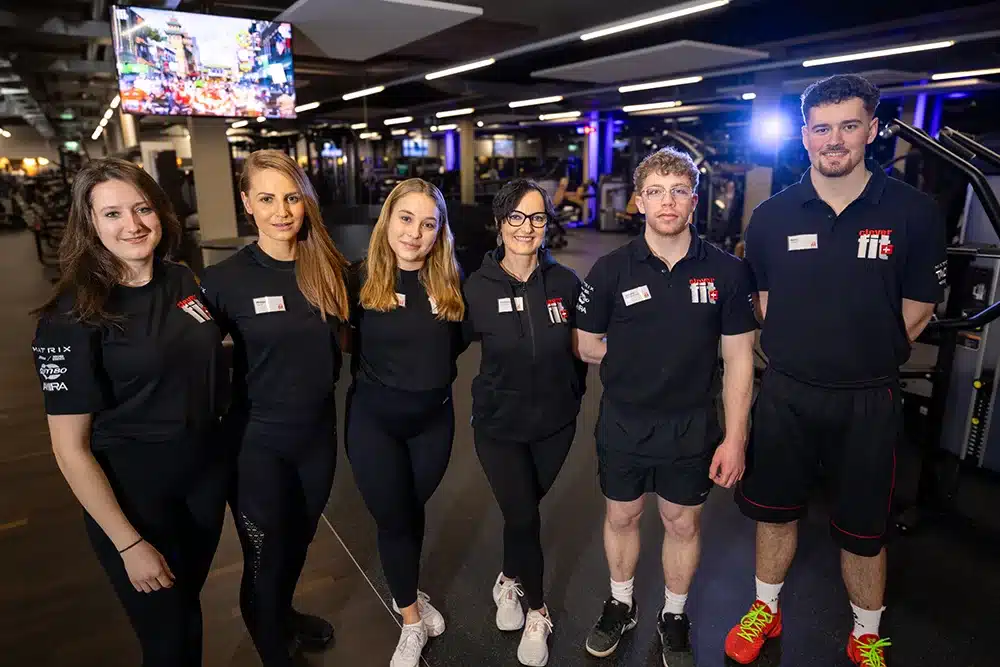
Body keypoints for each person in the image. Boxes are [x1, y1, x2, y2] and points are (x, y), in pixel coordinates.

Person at [724, 74, 947, 667]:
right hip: (788, 394)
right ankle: (765, 610)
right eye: (822, 128)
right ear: (804, 136)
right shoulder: (771, 216)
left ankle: (866, 631)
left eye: (849, 125)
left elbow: (919, 305)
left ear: (871, 130)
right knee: (774, 514)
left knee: (863, 528)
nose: (834, 139)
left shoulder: (913, 213)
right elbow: (764, 300)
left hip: (867, 398)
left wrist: (864, 347)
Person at [31, 158, 228, 666]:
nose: (133, 224)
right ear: (90, 224)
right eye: (113, 213)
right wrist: (128, 543)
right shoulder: (71, 316)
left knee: (186, 613)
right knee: (166, 639)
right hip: (136, 497)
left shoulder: (181, 277)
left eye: (142, 209)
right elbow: (68, 448)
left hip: (202, 481)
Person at [573, 147, 758, 665]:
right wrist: (638, 356)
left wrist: (735, 437)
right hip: (625, 422)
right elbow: (587, 345)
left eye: (678, 191)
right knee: (623, 515)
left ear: (694, 201)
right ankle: (621, 603)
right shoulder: (610, 270)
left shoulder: (726, 271)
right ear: (638, 202)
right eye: (655, 191)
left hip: (692, 425)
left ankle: (674, 613)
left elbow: (740, 359)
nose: (667, 201)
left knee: (682, 523)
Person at [200, 150, 350, 666]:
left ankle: (282, 615)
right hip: (256, 444)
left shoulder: (328, 268)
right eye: (266, 198)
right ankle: (271, 648)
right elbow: (185, 361)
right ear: (247, 203)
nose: (281, 210)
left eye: (291, 197)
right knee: (265, 554)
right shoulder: (223, 281)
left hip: (317, 436)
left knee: (299, 541)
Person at [462, 179, 588, 666]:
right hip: (499, 425)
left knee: (524, 511)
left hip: (556, 423)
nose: (526, 227)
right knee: (525, 516)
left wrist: (574, 396)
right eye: (516, 216)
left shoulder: (565, 283)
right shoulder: (475, 287)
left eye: (537, 217)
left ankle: (507, 577)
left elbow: (583, 346)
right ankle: (538, 611)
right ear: (500, 223)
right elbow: (444, 344)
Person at [345, 178, 466, 667]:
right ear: (387, 220)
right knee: (393, 516)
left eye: (428, 223)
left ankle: (408, 591)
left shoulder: (453, 284)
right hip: (374, 423)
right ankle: (411, 620)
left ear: (439, 233)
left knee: (410, 512)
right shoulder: (358, 280)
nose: (415, 233)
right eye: (406, 219)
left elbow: (459, 349)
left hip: (433, 424)